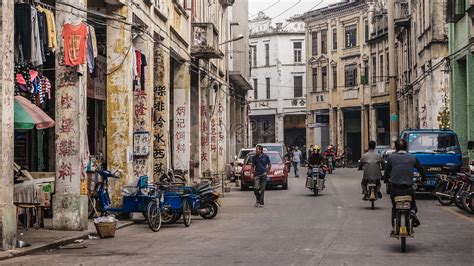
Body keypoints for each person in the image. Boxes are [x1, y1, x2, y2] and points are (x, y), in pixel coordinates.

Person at [384, 139, 427, 230]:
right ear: (406, 147)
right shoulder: (412, 157)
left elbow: (387, 172)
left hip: (395, 189)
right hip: (408, 189)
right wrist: (423, 179)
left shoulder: (391, 158)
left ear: (395, 148)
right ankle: (412, 212)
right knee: (413, 205)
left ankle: (395, 222)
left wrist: (386, 179)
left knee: (394, 205)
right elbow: (422, 170)